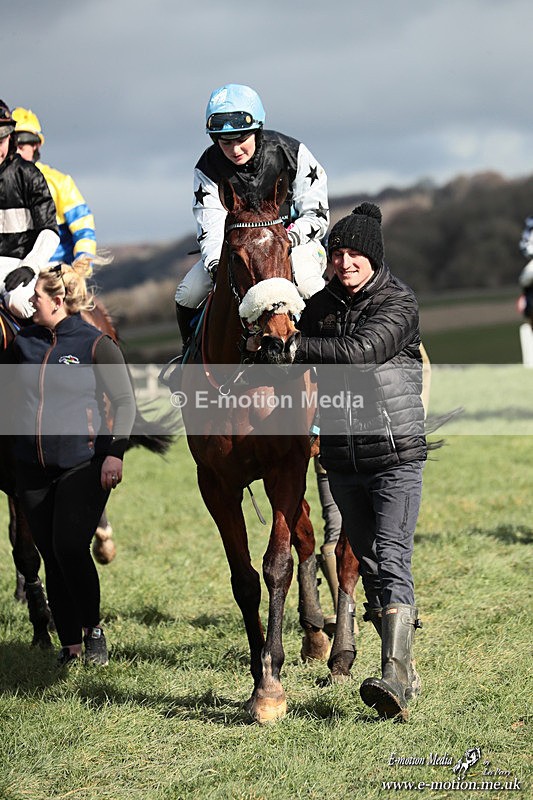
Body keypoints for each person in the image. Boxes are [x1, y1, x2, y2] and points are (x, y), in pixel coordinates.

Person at [295, 202, 427, 720]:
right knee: (369, 563)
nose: (345, 261)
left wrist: (297, 345)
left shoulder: (398, 302)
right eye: (338, 253)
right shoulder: (321, 305)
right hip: (343, 459)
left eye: (355, 253)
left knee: (391, 558)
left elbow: (360, 351)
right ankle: (404, 667)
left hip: (395, 454)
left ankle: (394, 676)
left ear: (373, 257)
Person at [11, 257, 136, 667]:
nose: (30, 304)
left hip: (83, 464)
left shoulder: (94, 344)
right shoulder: (23, 343)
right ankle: (70, 645)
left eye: (36, 298)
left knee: (69, 547)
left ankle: (92, 628)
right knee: (49, 552)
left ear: (59, 299)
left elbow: (125, 402)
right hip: (30, 469)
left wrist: (114, 453)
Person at [174, 83, 329, 347]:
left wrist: (283, 243)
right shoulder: (207, 168)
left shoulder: (293, 154)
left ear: (256, 130)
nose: (235, 150)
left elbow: (317, 216)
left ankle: (331, 359)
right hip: (237, 252)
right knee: (187, 294)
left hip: (294, 245)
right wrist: (215, 266)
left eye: (241, 140)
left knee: (308, 284)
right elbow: (210, 229)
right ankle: (188, 357)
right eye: (226, 142)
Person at [12, 107, 97, 267]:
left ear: (36, 146)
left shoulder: (60, 182)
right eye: (12, 146)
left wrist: (81, 268)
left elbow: (84, 228)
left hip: (54, 273)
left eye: (22, 147)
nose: (17, 152)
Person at [0, 100, 59, 318]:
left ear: (10, 138)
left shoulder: (29, 175)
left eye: (1, 140)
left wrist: (30, 267)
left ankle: (46, 351)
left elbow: (50, 231)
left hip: (20, 266)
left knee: (20, 303)